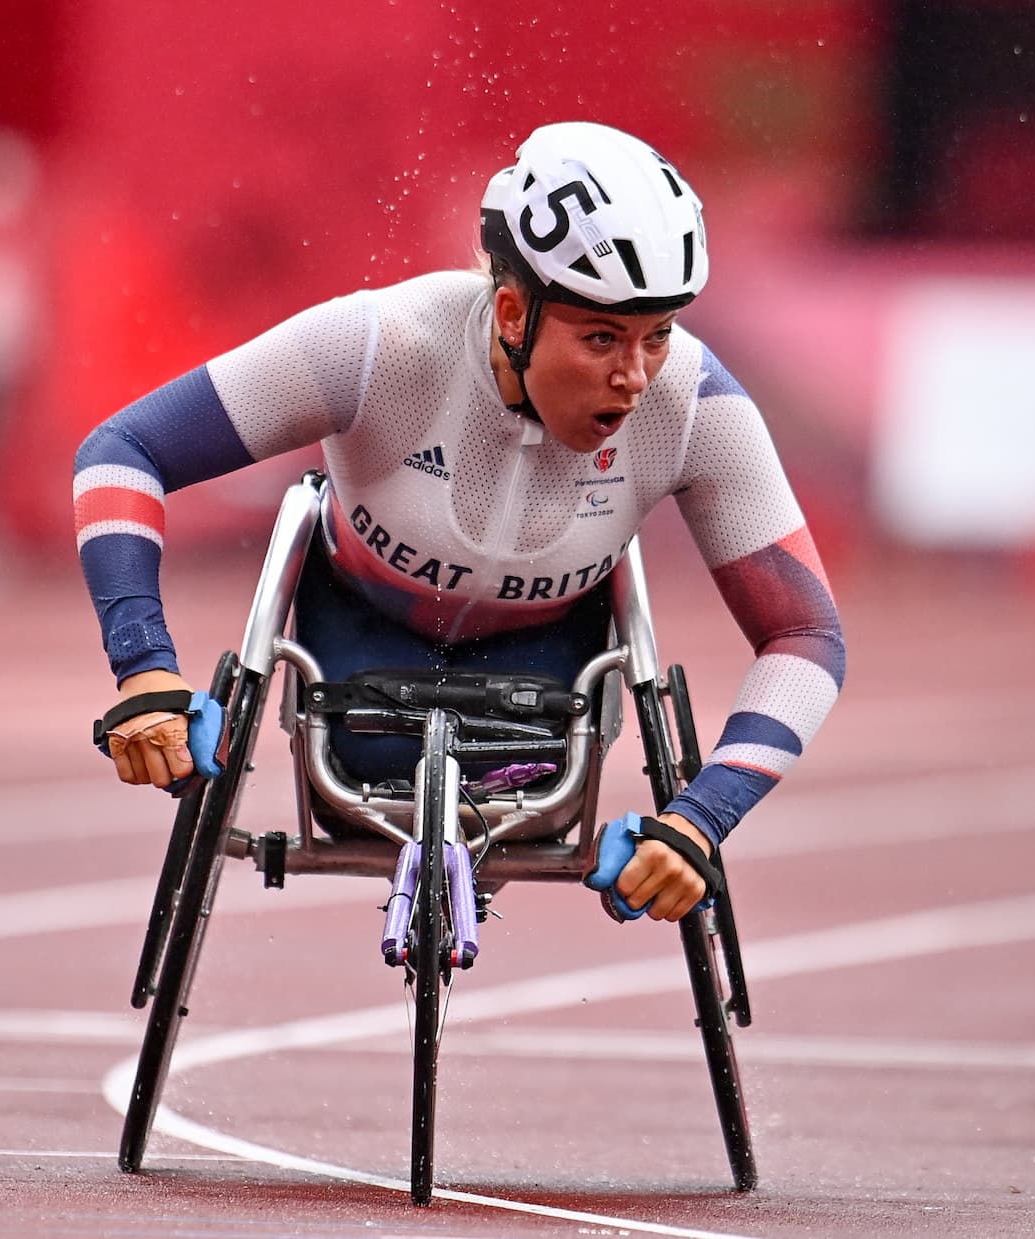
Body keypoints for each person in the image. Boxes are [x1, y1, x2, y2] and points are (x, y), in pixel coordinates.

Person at [75, 121, 845, 924]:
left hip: (547, 679)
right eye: (602, 338)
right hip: (354, 647)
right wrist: (145, 668)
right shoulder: (379, 346)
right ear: (513, 312)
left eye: (659, 334)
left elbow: (808, 635)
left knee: (519, 806)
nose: (635, 377)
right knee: (370, 767)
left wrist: (700, 817)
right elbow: (122, 450)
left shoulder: (695, 403)